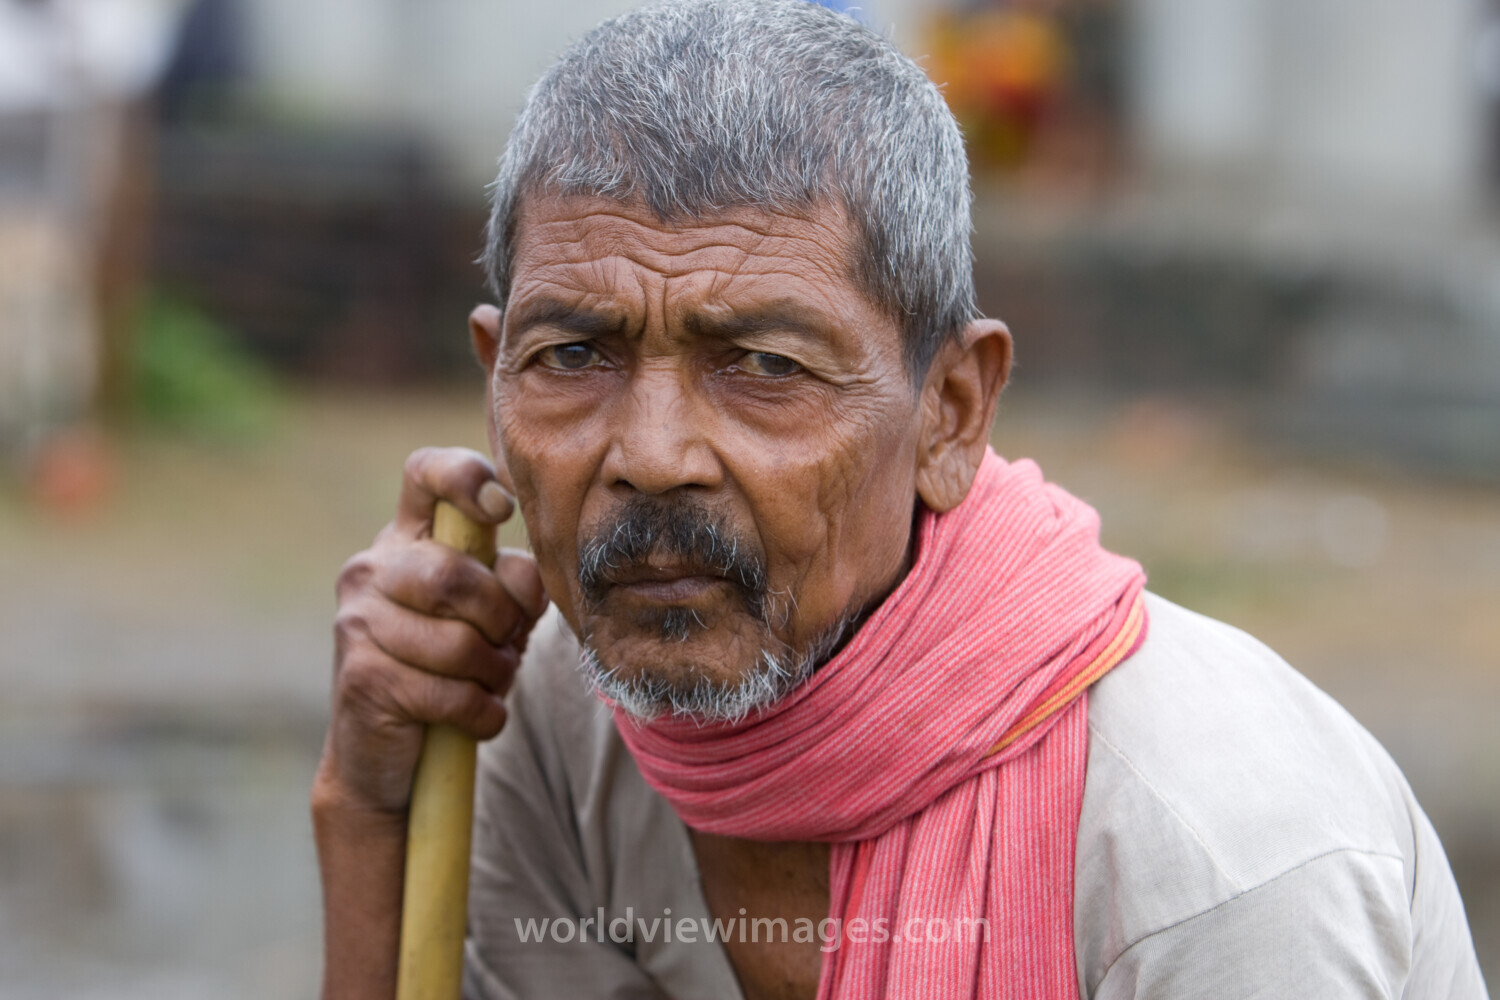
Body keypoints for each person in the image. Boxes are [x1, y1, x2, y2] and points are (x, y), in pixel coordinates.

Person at [311, 2, 1488, 998]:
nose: (652, 455)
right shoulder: (555, 711)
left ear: (952, 413)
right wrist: (370, 809)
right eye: (571, 357)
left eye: (765, 365)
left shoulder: (1219, 856)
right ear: (490, 378)